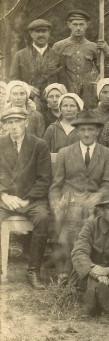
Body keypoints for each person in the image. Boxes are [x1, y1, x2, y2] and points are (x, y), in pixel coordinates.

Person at [50, 110, 109, 285]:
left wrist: (98, 196)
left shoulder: (106, 153)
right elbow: (56, 185)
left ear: (97, 131)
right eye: (83, 130)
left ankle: (84, 267)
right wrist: (56, 203)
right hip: (70, 199)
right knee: (70, 213)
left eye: (91, 130)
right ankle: (65, 270)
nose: (87, 134)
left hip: (96, 201)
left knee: (91, 215)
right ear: (78, 132)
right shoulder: (65, 153)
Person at [0, 107, 52, 289]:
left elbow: (44, 178)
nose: (13, 126)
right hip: (5, 198)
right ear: (4, 125)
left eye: (17, 121)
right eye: (9, 122)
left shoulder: (39, 145)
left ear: (26, 123)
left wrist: (27, 199)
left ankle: (33, 270)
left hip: (32, 198)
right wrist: (4, 195)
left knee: (43, 218)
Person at [53, 10, 109, 109]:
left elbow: (106, 74)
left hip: (87, 96)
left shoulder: (93, 47)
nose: (78, 28)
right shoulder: (59, 46)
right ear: (69, 24)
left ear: (87, 25)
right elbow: (51, 73)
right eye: (75, 24)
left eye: (81, 24)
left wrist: (108, 54)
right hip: (66, 93)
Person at [10, 19, 61, 99]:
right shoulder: (20, 55)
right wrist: (26, 87)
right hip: (28, 100)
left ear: (49, 33)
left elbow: (61, 81)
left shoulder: (56, 56)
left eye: (44, 31)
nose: (41, 34)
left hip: (51, 102)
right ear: (31, 34)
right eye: (37, 31)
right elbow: (13, 80)